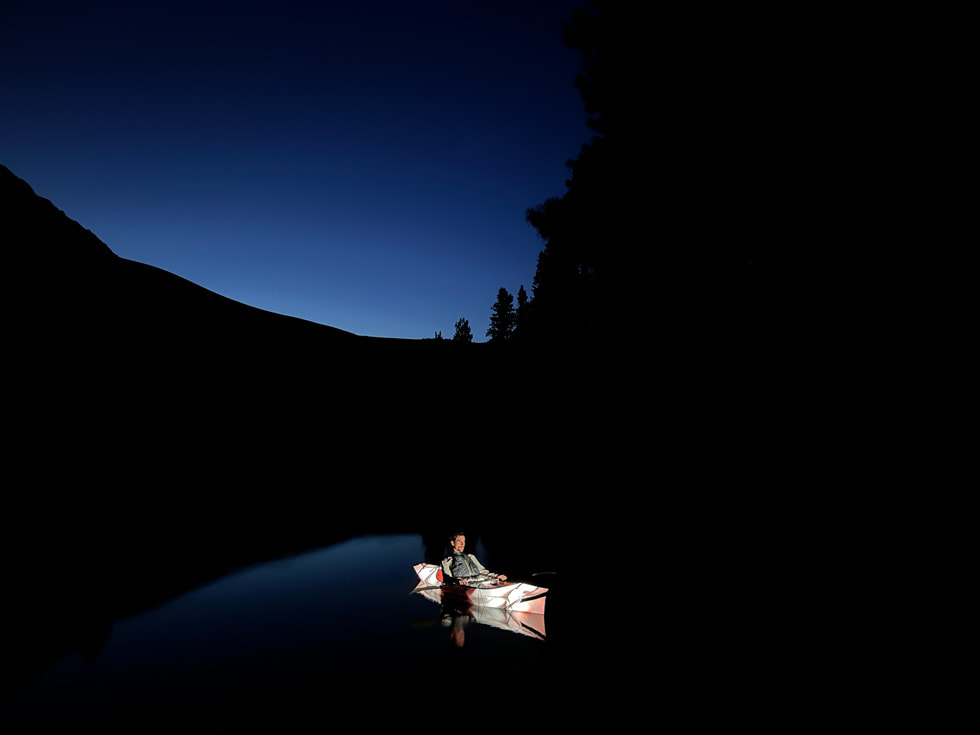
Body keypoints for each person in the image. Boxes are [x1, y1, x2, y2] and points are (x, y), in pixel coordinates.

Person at [441, 532, 507, 587]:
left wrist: (496, 576)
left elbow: (482, 571)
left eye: (464, 541)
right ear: (453, 543)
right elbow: (447, 576)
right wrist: (457, 581)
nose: (462, 544)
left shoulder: (471, 557)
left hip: (479, 582)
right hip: (464, 586)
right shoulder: (447, 560)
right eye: (459, 541)